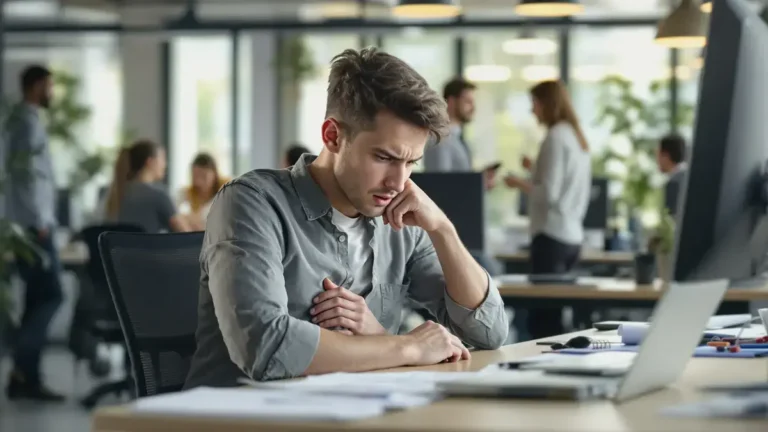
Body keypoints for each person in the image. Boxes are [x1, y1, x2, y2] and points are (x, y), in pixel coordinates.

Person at [184, 48, 508, 389]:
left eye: (411, 162)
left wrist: (442, 228)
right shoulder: (252, 203)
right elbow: (266, 346)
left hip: (353, 412)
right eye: (384, 157)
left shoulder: (398, 221)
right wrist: (405, 346)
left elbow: (488, 331)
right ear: (333, 136)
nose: (398, 182)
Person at [503, 80, 591, 340]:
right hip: (571, 236)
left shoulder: (554, 137)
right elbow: (563, 185)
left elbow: (549, 193)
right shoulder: (574, 136)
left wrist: (518, 182)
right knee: (553, 317)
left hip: (551, 236)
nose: (533, 112)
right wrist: (535, 167)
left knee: (542, 323)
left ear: (546, 104)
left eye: (535, 105)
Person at [3, 65, 65, 401]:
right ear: (37, 85)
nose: (51, 92)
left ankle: (24, 377)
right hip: (33, 226)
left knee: (36, 298)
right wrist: (40, 221)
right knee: (54, 293)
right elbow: (26, 177)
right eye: (49, 86)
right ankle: (20, 353)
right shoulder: (25, 123)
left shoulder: (25, 120)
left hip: (29, 224)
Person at [423, 77, 499, 190]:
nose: (473, 108)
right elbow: (440, 186)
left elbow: (457, 180)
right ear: (452, 102)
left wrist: (478, 180)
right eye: (468, 102)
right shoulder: (439, 140)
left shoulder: (456, 138)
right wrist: (475, 184)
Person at [105, 140, 192, 233]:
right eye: (162, 159)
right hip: (149, 247)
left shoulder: (115, 193)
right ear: (150, 162)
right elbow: (185, 233)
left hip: (121, 247)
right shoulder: (158, 195)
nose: (165, 165)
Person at [177, 153, 229, 230]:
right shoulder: (189, 191)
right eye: (195, 176)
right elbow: (171, 210)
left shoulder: (226, 187)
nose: (198, 181)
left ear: (214, 174)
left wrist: (190, 218)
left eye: (203, 176)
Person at [656, 134, 687, 216]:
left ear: (666, 155)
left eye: (658, 154)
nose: (657, 160)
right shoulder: (688, 176)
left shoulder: (674, 183)